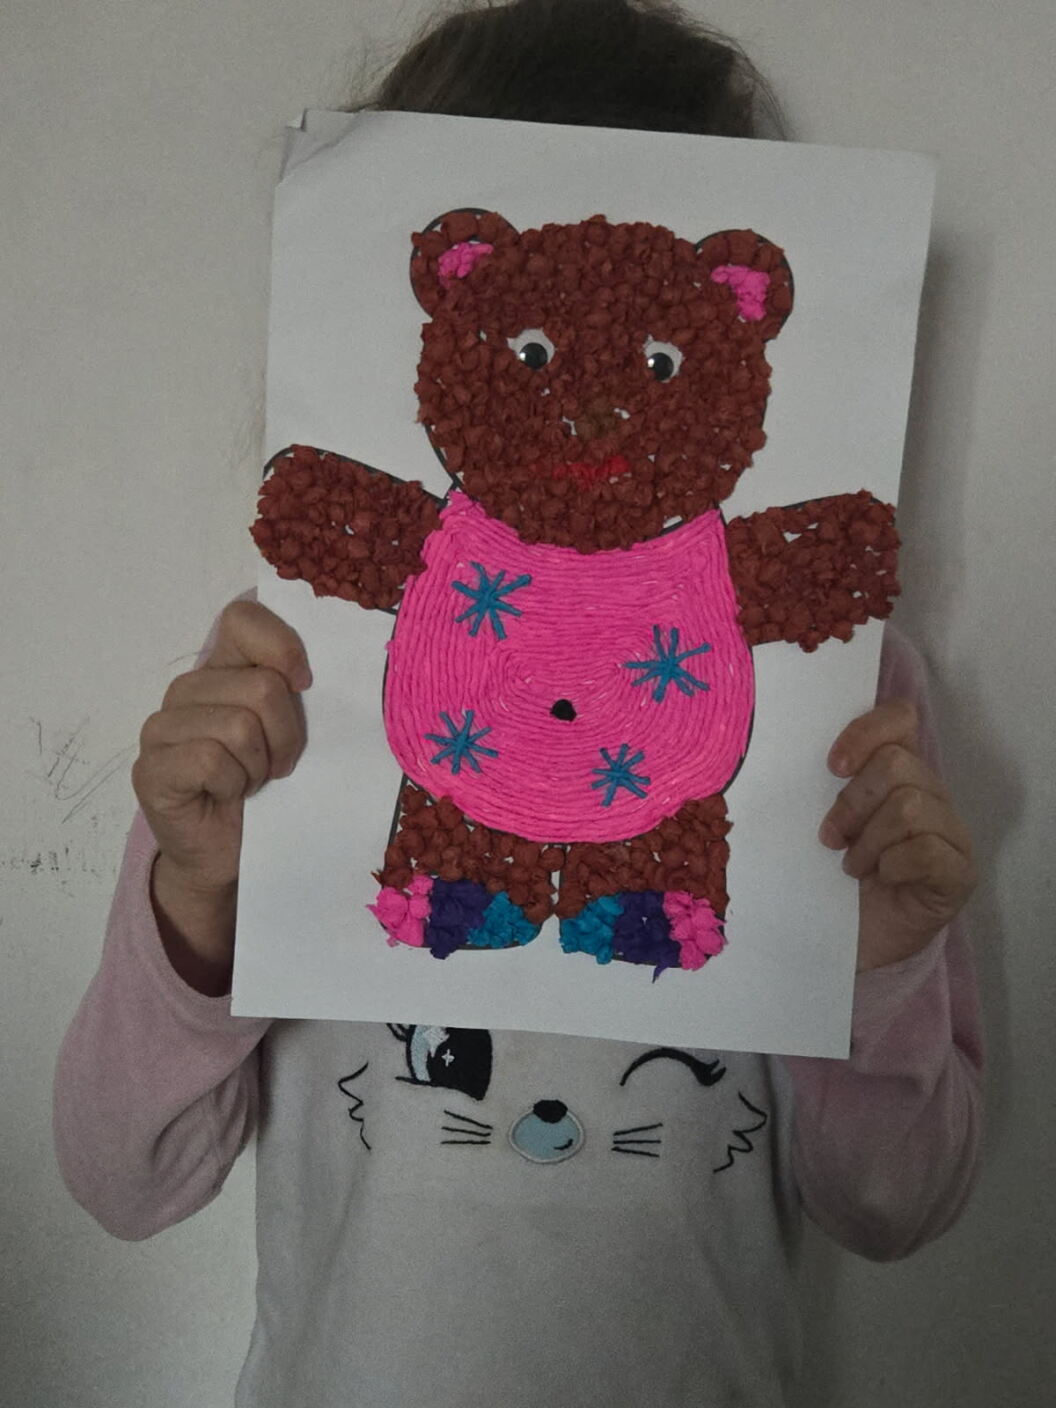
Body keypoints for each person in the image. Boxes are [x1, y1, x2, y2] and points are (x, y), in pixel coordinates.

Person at [52, 3, 983, 1406]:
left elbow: (895, 1207)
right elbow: (126, 1178)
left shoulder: (841, 697)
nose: (594, 409)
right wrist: (197, 903)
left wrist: (886, 965)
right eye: (541, 348)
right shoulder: (281, 682)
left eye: (650, 358)